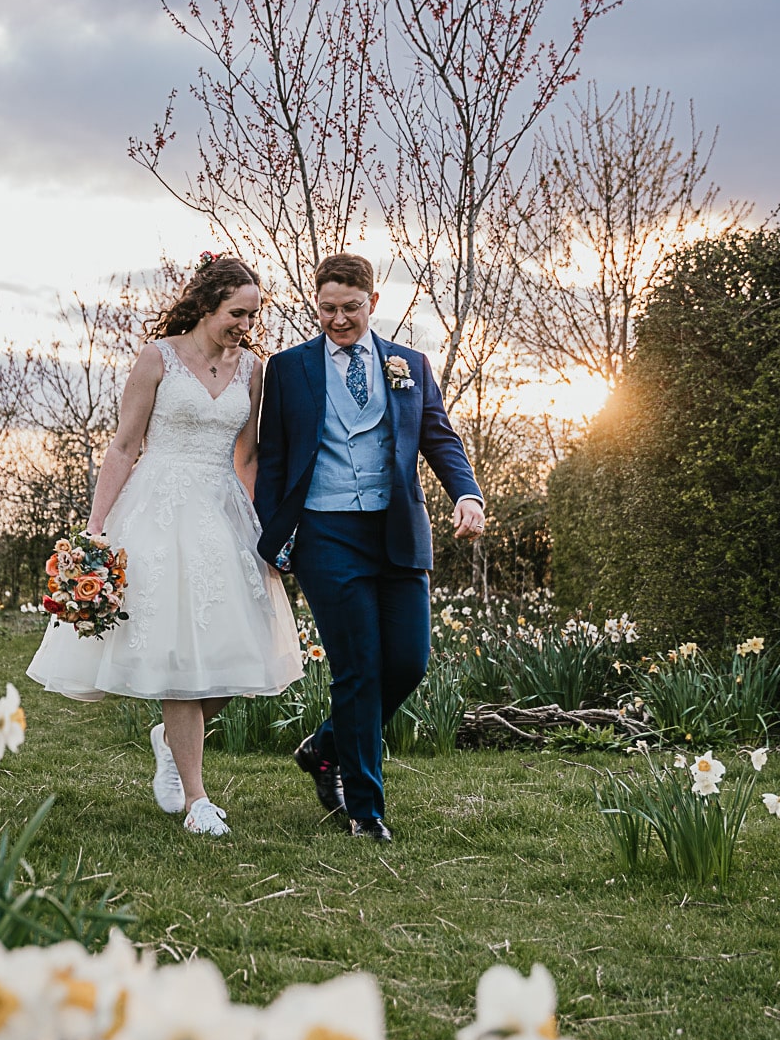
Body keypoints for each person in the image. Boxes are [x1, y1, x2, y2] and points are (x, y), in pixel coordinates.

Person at [28, 255, 303, 837]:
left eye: (252, 315)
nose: (244, 325)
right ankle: (197, 800)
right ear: (207, 305)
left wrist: (266, 529)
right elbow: (125, 447)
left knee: (241, 655)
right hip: (159, 511)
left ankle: (169, 739)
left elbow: (248, 456)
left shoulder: (253, 370)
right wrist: (96, 529)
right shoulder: (159, 357)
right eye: (236, 313)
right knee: (182, 653)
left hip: (224, 513)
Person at [253, 252, 484, 843]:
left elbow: (438, 436)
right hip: (325, 534)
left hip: (397, 531)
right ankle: (365, 809)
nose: (337, 319)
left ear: (373, 303)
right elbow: (274, 458)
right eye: (326, 308)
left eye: (349, 308)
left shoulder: (410, 364)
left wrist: (468, 495)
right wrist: (271, 537)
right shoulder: (288, 368)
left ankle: (325, 745)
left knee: (408, 662)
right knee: (356, 669)